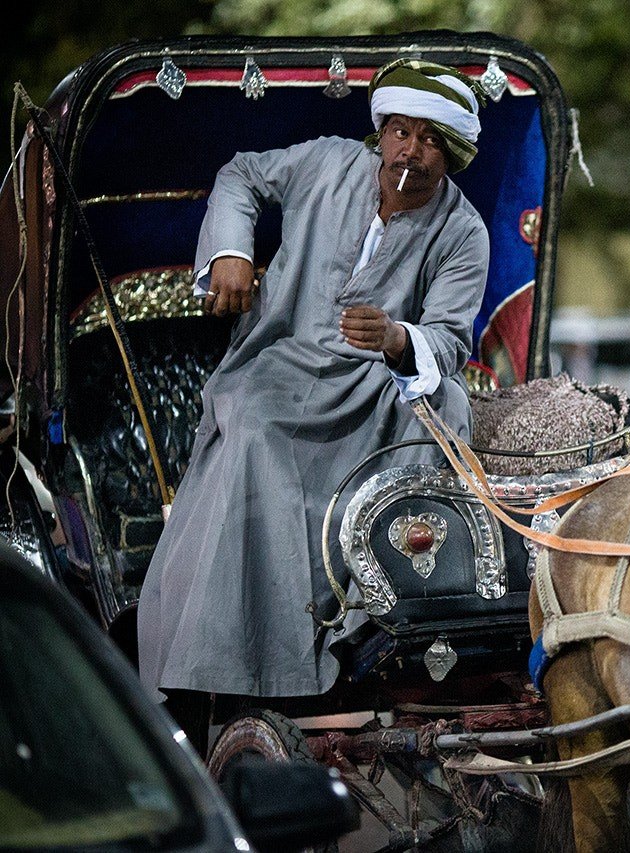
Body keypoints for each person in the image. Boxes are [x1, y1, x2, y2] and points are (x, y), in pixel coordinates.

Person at [136, 59, 491, 732]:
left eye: (432, 140)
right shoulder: (328, 163)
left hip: (374, 387)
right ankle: (222, 667)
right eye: (402, 132)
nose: (412, 151)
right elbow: (241, 173)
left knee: (443, 412)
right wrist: (231, 255)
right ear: (382, 132)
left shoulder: (463, 231)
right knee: (254, 430)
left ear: (453, 155)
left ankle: (372, 630)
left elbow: (446, 342)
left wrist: (394, 336)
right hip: (281, 361)